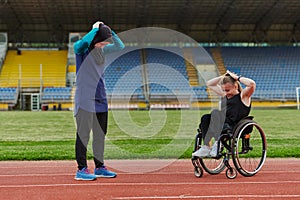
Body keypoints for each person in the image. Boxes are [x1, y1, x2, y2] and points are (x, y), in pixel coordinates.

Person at [73, 21, 125, 180]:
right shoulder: (81, 50)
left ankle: (100, 166)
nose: (105, 44)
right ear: (96, 39)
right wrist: (95, 30)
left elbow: (120, 46)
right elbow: (83, 43)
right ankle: (81, 169)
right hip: (85, 98)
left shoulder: (101, 52)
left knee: (100, 135)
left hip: (100, 98)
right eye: (103, 41)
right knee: (83, 135)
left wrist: (109, 31)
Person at [192, 70, 256, 157]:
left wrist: (237, 78)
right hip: (222, 122)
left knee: (215, 113)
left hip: (235, 125)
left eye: (228, 90)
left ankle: (218, 143)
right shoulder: (224, 95)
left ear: (235, 86)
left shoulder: (243, 96)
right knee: (205, 118)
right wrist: (223, 76)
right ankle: (207, 146)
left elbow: (251, 84)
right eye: (224, 90)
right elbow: (209, 84)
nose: (226, 93)